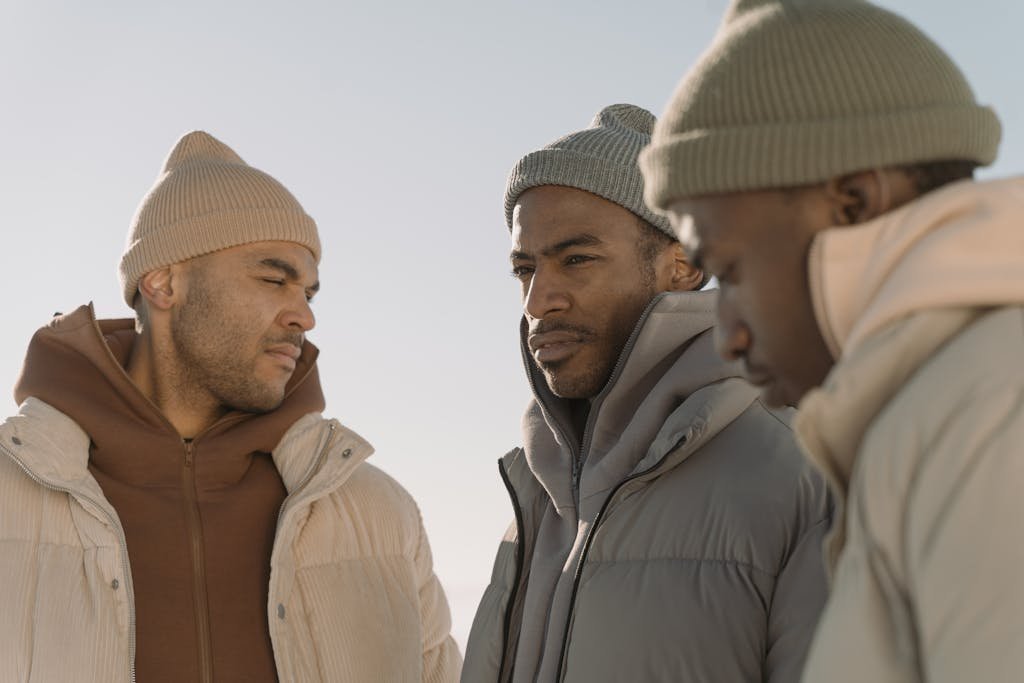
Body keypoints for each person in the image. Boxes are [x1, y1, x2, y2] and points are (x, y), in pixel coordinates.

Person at [640, 1, 1022, 680]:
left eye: (729, 272)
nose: (725, 334)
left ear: (853, 204)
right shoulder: (940, 405)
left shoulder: (986, 412)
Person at [0, 131, 460, 682]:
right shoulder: (10, 491)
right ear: (163, 283)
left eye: (308, 293)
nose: (304, 317)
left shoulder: (377, 510)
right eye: (274, 279)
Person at [463, 104, 831, 683]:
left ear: (682, 267)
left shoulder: (803, 475)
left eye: (576, 259)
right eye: (524, 270)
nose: (538, 301)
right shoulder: (538, 490)